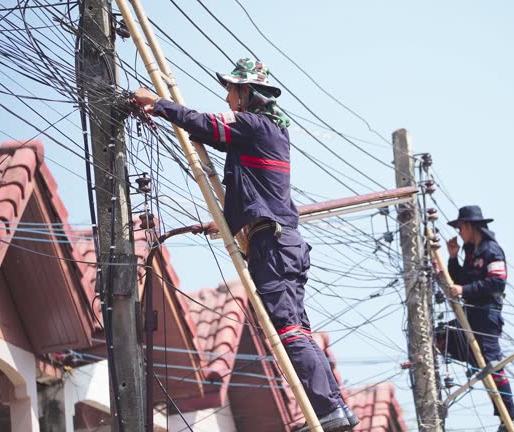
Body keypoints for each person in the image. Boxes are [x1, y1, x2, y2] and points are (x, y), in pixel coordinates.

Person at [133, 58, 358, 432]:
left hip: (272, 242)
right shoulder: (263, 132)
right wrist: (223, 221)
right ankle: (334, 409)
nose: (227, 95)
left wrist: (157, 103)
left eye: (232, 89)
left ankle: (329, 411)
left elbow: (206, 124)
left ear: (246, 93)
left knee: (288, 329)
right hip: (281, 241)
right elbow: (215, 142)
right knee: (297, 328)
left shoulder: (254, 126)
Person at [436, 205, 514, 432]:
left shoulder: (491, 251)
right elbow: (459, 280)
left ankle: (511, 418)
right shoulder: (471, 253)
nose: (459, 232)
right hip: (470, 315)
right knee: (441, 337)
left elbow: (497, 282)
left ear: (469, 226)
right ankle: (473, 363)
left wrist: (463, 291)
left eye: (460, 227)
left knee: (493, 365)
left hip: (486, 315)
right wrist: (453, 257)